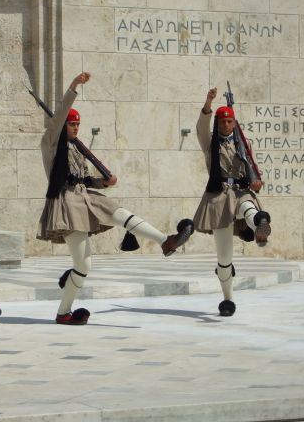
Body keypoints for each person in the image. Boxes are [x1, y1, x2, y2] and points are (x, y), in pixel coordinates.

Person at [37, 72, 194, 325]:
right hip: (66, 204)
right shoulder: (51, 144)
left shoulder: (76, 148)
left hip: (85, 198)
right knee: (83, 266)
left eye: (77, 124)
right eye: (71, 124)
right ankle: (63, 313)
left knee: (119, 212)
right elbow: (58, 120)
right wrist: (73, 87)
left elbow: (84, 180)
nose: (75, 128)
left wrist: (104, 183)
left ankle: (166, 241)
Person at [193, 87, 271, 317]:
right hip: (218, 196)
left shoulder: (243, 146)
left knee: (249, 206)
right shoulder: (210, 143)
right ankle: (228, 300)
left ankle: (259, 225)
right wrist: (208, 102)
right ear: (218, 123)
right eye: (223, 121)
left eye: (230, 121)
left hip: (239, 192)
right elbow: (201, 127)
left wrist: (255, 182)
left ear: (234, 124)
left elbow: (252, 171)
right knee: (224, 258)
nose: (226, 125)